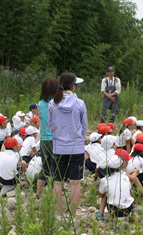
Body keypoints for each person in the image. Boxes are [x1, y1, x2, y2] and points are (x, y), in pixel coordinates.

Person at [49, 72, 87, 216]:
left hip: (58, 147)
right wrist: (77, 138)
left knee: (58, 182)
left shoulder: (53, 103)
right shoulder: (80, 103)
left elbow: (51, 126)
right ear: (72, 86)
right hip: (76, 147)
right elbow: (84, 126)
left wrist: (58, 138)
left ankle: (58, 213)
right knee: (75, 182)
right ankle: (71, 213)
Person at [97, 151, 143, 219]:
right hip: (128, 209)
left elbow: (100, 195)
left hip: (113, 210)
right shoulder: (125, 176)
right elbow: (129, 191)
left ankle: (100, 212)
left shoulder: (105, 179)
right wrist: (135, 171)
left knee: (106, 193)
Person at [36, 77, 59, 196]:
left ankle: (38, 193)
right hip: (54, 140)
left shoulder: (40, 104)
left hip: (44, 139)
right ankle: (54, 193)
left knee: (45, 167)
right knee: (56, 168)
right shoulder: (55, 103)